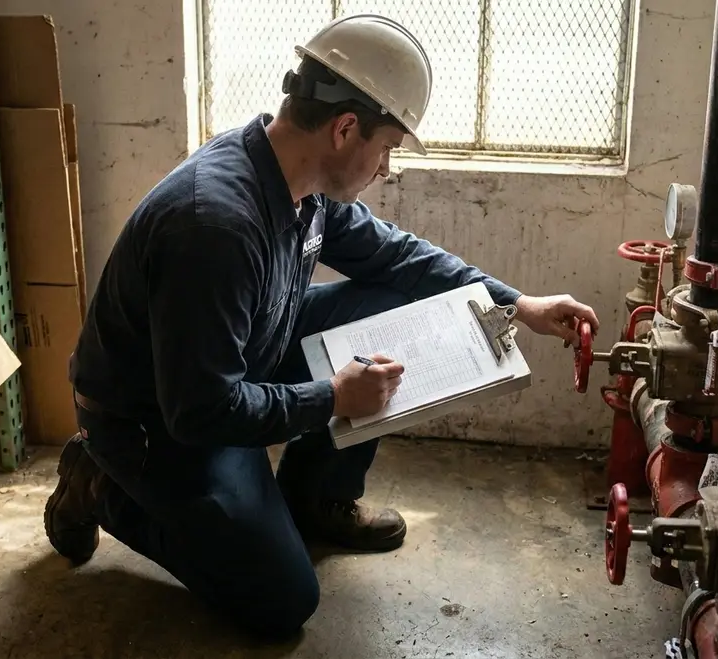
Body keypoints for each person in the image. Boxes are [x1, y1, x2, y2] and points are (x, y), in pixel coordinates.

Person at [45, 13, 600, 639]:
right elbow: (199, 411)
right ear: (344, 129)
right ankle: (101, 486)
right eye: (387, 148)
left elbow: (398, 256)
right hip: (154, 423)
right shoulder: (215, 227)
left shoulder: (300, 184)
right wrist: (332, 398)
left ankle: (315, 498)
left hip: (240, 356)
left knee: (393, 293)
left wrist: (517, 302)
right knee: (282, 600)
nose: (386, 168)